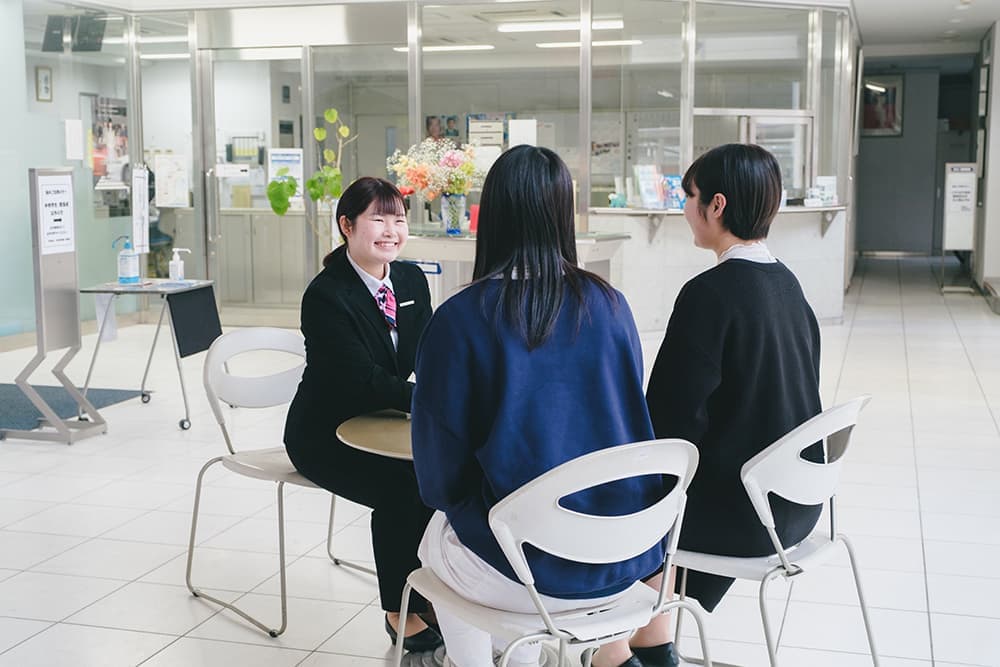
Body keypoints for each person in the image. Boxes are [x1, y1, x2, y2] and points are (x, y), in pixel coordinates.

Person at [411, 145, 666, 667]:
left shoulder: (460, 318)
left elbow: (437, 483)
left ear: (493, 215)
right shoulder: (610, 306)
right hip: (624, 557)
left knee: (435, 548)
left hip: (528, 572)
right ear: (562, 214)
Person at [639, 143, 823, 663]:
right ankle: (646, 640)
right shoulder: (788, 285)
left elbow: (668, 423)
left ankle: (640, 647)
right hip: (797, 502)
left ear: (715, 206)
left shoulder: (709, 293)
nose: (684, 209)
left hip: (746, 512)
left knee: (628, 505)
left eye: (689, 196)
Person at [283, 176, 442, 654]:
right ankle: (399, 609)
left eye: (399, 218)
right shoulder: (327, 295)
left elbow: (428, 351)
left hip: (389, 422)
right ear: (347, 225)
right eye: (378, 218)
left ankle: (429, 585)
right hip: (326, 432)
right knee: (402, 488)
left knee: (440, 477)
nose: (391, 229)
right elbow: (360, 380)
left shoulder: (410, 279)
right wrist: (431, 403)